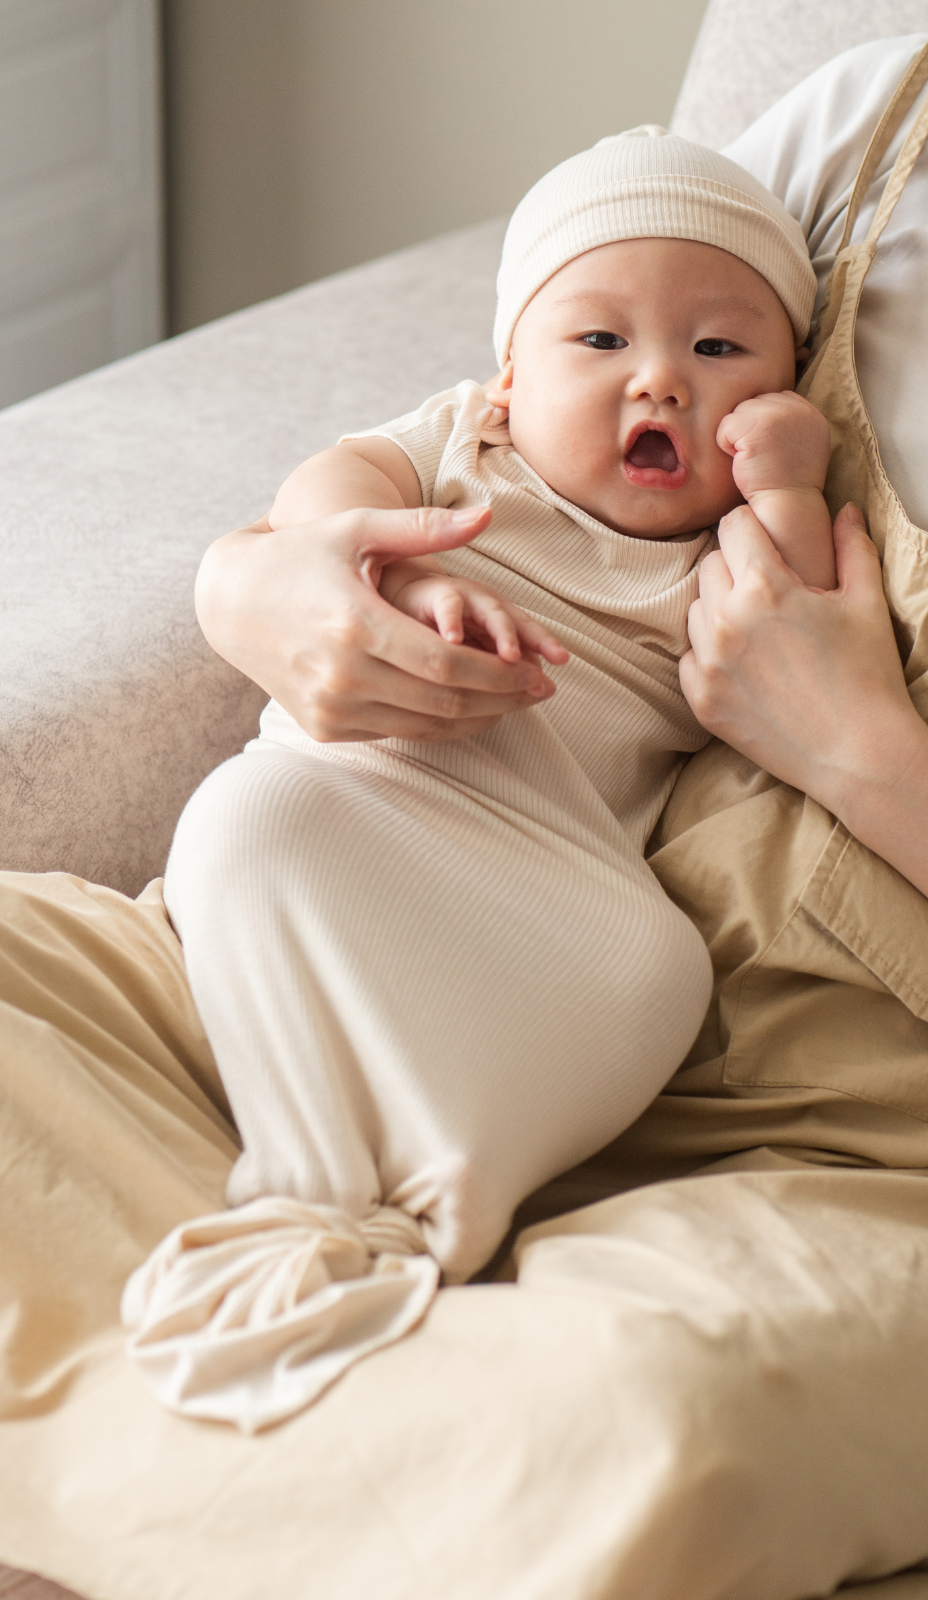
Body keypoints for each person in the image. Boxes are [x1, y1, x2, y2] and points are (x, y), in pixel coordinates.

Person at [1, 4, 928, 1598]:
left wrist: (867, 760)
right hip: (409, 972)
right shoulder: (891, 131)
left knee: (634, 1430)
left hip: (902, 1172)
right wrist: (266, 592)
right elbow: (490, 425)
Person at [121, 128, 833, 1432]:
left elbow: (807, 615)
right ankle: (317, 1177)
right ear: (508, 373)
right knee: (244, 818)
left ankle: (437, 1185)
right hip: (353, 807)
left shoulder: (722, 549)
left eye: (721, 350)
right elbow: (320, 492)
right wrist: (389, 560)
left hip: (543, 871)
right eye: (601, 342)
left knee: (656, 980)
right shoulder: (462, 446)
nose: (661, 383)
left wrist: (787, 478)